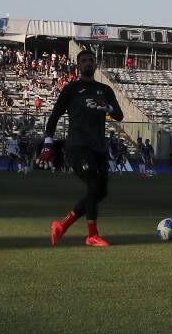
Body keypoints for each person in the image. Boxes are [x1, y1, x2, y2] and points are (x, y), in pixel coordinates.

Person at [39, 49, 123, 248]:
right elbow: (54, 116)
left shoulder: (105, 90)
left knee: (101, 192)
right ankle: (92, 235)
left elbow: (119, 115)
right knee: (93, 184)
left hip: (99, 148)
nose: (87, 63)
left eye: (90, 60)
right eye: (83, 60)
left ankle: (62, 225)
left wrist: (108, 108)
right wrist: (48, 142)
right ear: (78, 65)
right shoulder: (71, 89)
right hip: (77, 146)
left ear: (95, 64)